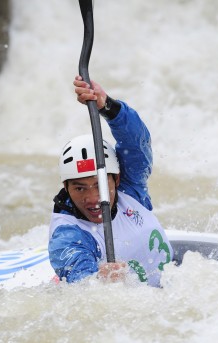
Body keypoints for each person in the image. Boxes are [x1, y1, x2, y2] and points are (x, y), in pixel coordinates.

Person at [48, 75, 172, 287]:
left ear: (117, 179)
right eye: (79, 188)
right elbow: (79, 278)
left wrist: (107, 106)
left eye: (99, 184)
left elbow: (136, 143)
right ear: (65, 187)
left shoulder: (130, 189)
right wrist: (98, 280)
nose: (93, 198)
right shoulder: (68, 234)